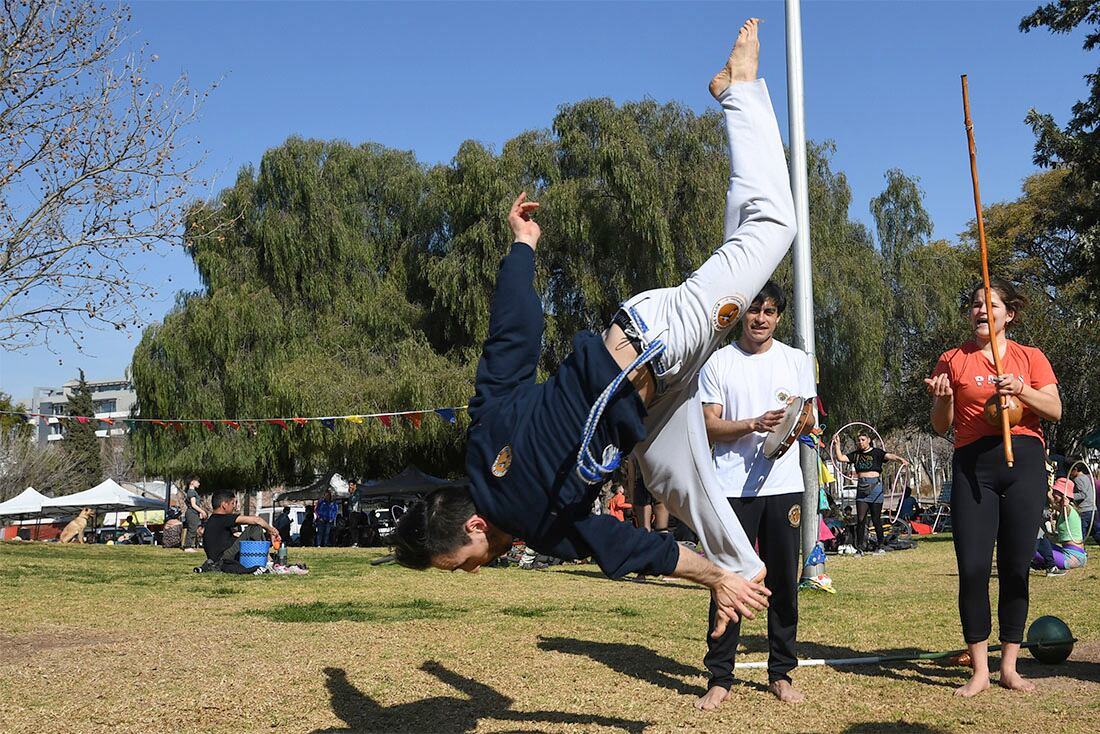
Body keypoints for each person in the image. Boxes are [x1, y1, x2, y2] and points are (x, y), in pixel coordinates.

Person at [393, 18, 794, 631]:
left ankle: (738, 88)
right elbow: (511, 343)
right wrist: (521, 249)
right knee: (683, 482)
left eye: (463, 564)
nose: (475, 571)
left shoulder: (534, 520)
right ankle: (735, 570)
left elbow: (623, 547)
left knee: (773, 230)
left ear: (473, 526)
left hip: (657, 343)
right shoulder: (485, 444)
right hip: (651, 401)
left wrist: (523, 254)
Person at [924, 277, 1061, 697]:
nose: (982, 311)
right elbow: (940, 425)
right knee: (973, 568)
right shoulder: (952, 359)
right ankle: (980, 670)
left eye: (992, 305)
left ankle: (1010, 667)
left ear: (1009, 315)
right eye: (976, 305)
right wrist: (944, 398)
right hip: (973, 466)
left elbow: (1054, 409)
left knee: (1017, 566)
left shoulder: (1030, 357)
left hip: (1024, 462)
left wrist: (1021, 388)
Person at [695, 280, 814, 709]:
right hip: (731, 487)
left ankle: (781, 673)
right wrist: (751, 425)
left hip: (785, 488)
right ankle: (720, 677)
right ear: (742, 314)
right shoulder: (719, 362)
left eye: (770, 312)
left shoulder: (797, 361)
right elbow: (708, 424)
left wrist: (794, 427)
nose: (761, 319)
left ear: (779, 316)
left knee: (784, 580)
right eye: (754, 311)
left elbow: (810, 415)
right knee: (729, 580)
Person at [832, 432, 909, 554]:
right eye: (859, 440)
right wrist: (837, 444)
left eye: (863, 439)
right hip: (862, 489)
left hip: (875, 488)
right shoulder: (856, 455)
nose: (860, 442)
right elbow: (840, 458)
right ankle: (860, 548)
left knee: (876, 519)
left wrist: (900, 460)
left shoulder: (877, 453)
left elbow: (889, 456)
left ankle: (880, 546)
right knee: (861, 519)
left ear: (868, 440)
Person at [201, 488, 281, 574]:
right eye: (233, 503)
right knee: (255, 527)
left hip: (216, 558)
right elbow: (257, 520)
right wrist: (272, 531)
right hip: (223, 558)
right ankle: (267, 560)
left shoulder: (213, 520)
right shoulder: (222, 518)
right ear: (224, 505)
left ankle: (264, 557)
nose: (234, 506)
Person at [1034, 478, 1086, 574]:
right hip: (1070, 552)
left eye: (1055, 492)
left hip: (1072, 557)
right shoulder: (1066, 509)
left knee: (1031, 550)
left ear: (1063, 494)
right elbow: (1053, 505)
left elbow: (1066, 509)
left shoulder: (1068, 509)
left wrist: (1065, 505)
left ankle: (1044, 564)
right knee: (1042, 547)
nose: (1053, 494)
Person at [1068, 462, 1098, 545]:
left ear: (1075, 469)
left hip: (1084, 509)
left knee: (1081, 533)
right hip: (1092, 509)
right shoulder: (1086, 477)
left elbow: (1082, 494)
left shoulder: (1078, 479)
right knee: (1097, 531)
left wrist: (1069, 495)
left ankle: (1081, 550)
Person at [181, 476, 205, 552]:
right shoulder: (191, 492)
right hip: (192, 513)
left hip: (194, 513)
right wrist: (202, 511)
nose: (199, 483)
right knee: (192, 529)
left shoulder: (193, 492)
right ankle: (187, 547)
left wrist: (199, 512)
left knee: (193, 529)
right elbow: (193, 504)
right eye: (197, 481)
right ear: (192, 482)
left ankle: (190, 545)